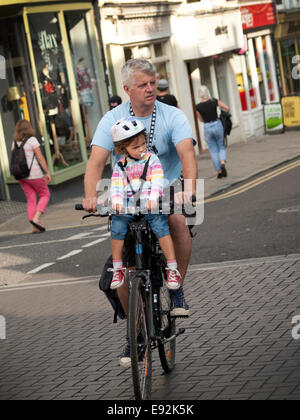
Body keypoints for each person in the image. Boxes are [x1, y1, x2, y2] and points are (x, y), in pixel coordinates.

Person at [82, 58, 197, 368]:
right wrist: (92, 196)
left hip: (167, 186)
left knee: (175, 219)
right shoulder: (112, 119)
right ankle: (136, 335)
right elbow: (95, 163)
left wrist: (188, 188)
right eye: (143, 85)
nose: (151, 89)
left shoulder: (172, 115)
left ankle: (176, 289)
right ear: (127, 89)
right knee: (121, 276)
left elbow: (187, 152)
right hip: (128, 192)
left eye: (153, 83)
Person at [109, 117, 181, 292]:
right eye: (135, 147)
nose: (141, 149)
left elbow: (157, 180)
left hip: (150, 203)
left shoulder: (152, 160)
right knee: (117, 226)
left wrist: (154, 198)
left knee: (160, 227)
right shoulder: (120, 165)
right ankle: (118, 268)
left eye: (143, 144)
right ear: (122, 149)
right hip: (129, 205)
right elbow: (117, 186)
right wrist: (117, 202)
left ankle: (172, 269)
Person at [13, 120, 51, 233]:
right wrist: (47, 171)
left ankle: (34, 226)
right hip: (34, 174)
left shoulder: (15, 142)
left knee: (31, 199)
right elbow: (39, 157)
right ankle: (36, 218)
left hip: (21, 175)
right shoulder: (32, 140)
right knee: (45, 194)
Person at [195, 85, 230, 178]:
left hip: (207, 127)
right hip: (217, 124)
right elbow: (227, 108)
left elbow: (201, 120)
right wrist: (222, 114)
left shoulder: (198, 107)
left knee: (213, 150)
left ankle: (219, 172)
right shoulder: (214, 101)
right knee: (221, 146)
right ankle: (222, 162)